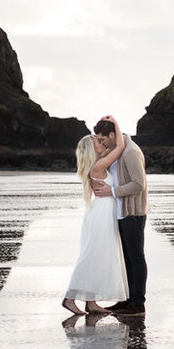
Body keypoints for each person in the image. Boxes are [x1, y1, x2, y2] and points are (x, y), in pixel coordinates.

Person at [62, 124, 127, 320]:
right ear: (92, 149)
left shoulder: (98, 162)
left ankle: (91, 302)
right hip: (101, 214)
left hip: (102, 212)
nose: (101, 142)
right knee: (93, 256)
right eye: (97, 142)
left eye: (101, 140)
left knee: (99, 255)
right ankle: (69, 297)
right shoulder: (98, 166)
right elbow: (120, 147)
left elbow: (110, 148)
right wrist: (114, 122)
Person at [98, 114, 151, 314]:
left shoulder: (130, 151)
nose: (102, 143)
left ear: (112, 135)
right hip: (121, 212)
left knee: (136, 257)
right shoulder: (117, 149)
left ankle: (138, 303)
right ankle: (127, 299)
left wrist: (111, 192)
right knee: (126, 258)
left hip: (133, 213)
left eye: (103, 139)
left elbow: (139, 184)